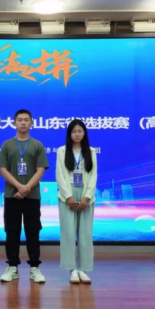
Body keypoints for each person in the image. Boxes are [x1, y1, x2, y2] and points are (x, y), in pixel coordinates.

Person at [0, 109, 49, 283]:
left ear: (31, 122)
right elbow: (3, 169)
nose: (23, 122)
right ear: (14, 123)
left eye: (26, 120)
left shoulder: (37, 145)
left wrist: (27, 188)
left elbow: (40, 170)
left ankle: (35, 268)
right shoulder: (7, 145)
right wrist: (19, 186)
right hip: (11, 195)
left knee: (33, 231)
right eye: (20, 120)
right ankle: (12, 266)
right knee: (12, 232)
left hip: (32, 196)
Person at [55, 119, 97, 284]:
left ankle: (83, 270)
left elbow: (93, 175)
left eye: (80, 131)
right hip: (67, 194)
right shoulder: (62, 151)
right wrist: (68, 196)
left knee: (85, 234)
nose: (77, 134)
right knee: (68, 233)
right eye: (74, 132)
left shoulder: (91, 151)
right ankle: (72, 270)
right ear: (69, 134)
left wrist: (87, 197)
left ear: (84, 133)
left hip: (86, 194)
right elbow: (60, 175)